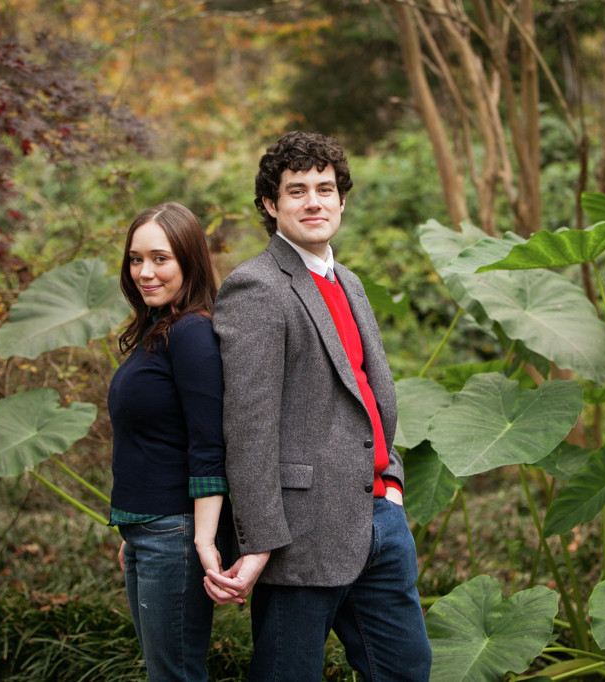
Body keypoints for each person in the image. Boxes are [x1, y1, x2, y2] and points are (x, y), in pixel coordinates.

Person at [206, 131, 432, 680]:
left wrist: (392, 482)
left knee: (407, 670)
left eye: (325, 189)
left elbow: (368, 392)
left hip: (380, 518)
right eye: (297, 190)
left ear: (341, 199)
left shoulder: (348, 281)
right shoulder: (256, 288)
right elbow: (249, 427)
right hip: (300, 535)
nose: (314, 202)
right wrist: (259, 541)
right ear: (270, 204)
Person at [108, 202, 227, 682]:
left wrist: (200, 540)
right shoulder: (158, 330)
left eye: (160, 258)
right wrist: (133, 530)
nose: (144, 272)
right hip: (148, 530)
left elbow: (208, 443)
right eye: (136, 259)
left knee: (175, 675)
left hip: (172, 534)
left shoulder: (192, 332)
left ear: (189, 261)